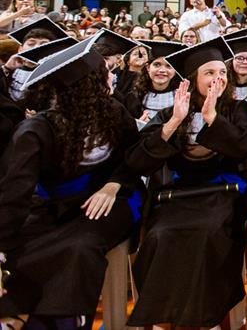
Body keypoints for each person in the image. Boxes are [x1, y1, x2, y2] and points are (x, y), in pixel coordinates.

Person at [0, 36, 143, 327]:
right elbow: (15, 194)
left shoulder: (115, 112)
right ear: (89, 86)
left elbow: (133, 160)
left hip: (112, 198)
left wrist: (112, 185)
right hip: (55, 204)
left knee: (80, 245)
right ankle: (28, 318)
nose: (112, 78)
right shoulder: (36, 130)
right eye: (105, 74)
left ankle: (61, 320)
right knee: (22, 247)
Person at [125, 37, 247, 328]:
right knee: (160, 236)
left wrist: (213, 118)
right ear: (192, 79)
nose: (218, 78)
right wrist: (174, 122)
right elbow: (137, 160)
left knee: (209, 233)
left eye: (222, 72)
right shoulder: (171, 112)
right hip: (176, 195)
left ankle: (206, 318)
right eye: (209, 73)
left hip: (222, 193)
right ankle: (163, 318)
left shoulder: (236, 110)